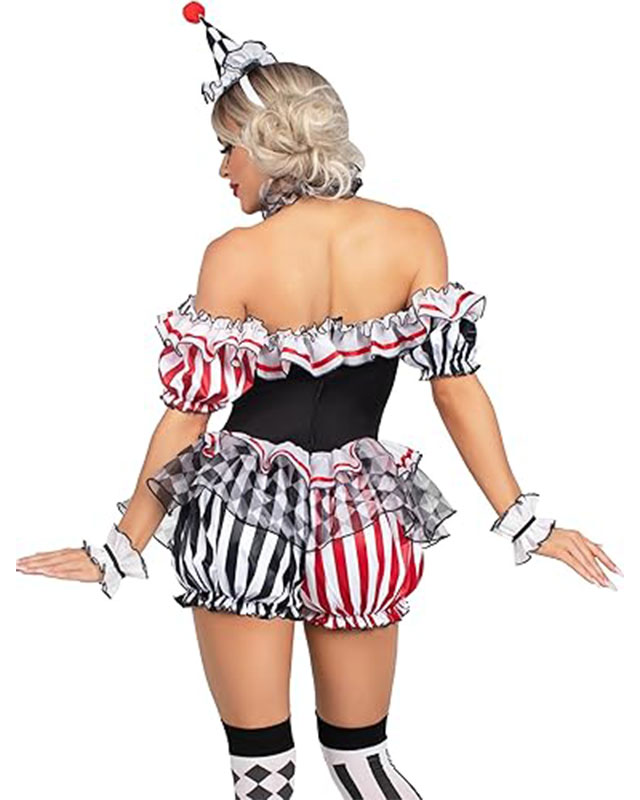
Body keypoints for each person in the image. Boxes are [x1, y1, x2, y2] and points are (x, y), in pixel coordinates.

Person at [15, 4, 623, 799]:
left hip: (241, 517)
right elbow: (456, 386)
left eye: (227, 148)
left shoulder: (235, 256)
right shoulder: (414, 234)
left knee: (261, 774)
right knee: (363, 762)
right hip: (362, 519)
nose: (222, 170)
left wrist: (121, 548)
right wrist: (523, 519)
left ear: (268, 146)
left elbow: (189, 415)